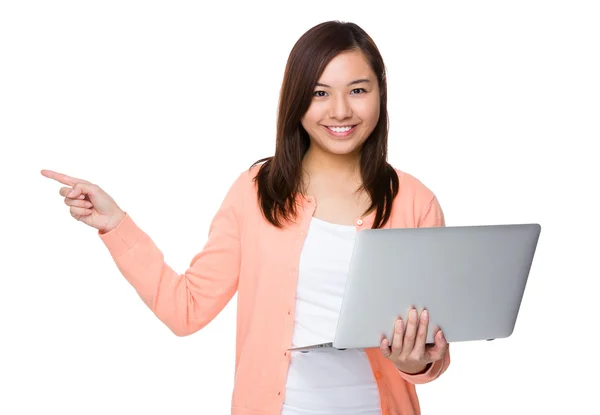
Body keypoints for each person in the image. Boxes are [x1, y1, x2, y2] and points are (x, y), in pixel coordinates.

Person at [42, 20, 450, 415]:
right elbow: (186, 310)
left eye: (358, 90)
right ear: (296, 99)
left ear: (381, 91)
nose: (340, 110)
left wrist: (415, 362)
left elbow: (434, 349)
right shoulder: (257, 190)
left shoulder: (415, 202)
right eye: (320, 93)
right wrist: (117, 226)